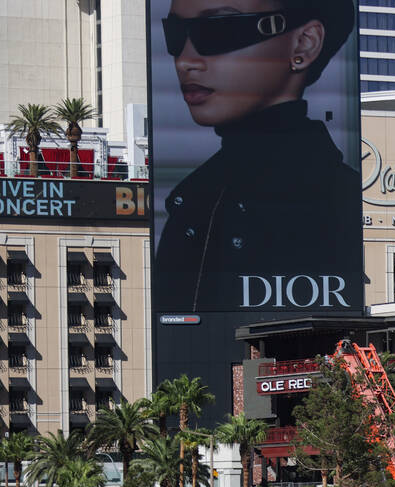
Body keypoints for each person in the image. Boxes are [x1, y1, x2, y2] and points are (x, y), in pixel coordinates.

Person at [154, 0, 360, 313]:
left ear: (304, 43)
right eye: (175, 34)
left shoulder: (335, 199)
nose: (185, 61)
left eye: (218, 30)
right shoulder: (195, 198)